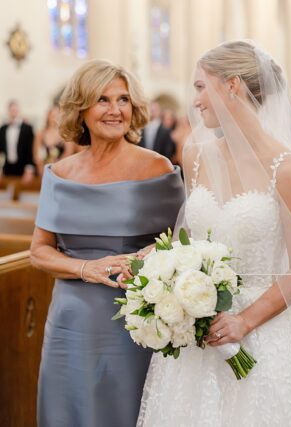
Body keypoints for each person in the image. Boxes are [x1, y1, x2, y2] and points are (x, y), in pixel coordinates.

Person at [136, 41, 291, 424]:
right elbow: (194, 240)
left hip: (261, 334)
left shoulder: (287, 168)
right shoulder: (195, 153)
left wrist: (244, 321)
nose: (195, 101)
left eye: (200, 86)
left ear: (231, 85)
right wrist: (165, 263)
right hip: (198, 332)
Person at [30, 60, 185, 427]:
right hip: (70, 320)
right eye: (102, 99)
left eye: (123, 100)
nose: (115, 110)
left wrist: (153, 256)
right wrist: (85, 268)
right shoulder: (60, 174)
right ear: (81, 109)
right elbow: (39, 250)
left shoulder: (157, 169)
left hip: (133, 320)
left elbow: (184, 240)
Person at [1, 99, 36, 182]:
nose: (13, 112)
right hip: (7, 168)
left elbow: (31, 149)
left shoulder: (27, 128)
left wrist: (29, 169)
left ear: (19, 110)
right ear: (8, 111)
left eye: (15, 110)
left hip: (23, 168)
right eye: (11, 110)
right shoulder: (3, 129)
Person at [33, 105, 73, 173]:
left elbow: (69, 152)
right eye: (52, 115)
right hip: (44, 169)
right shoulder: (41, 134)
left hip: (61, 170)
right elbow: (36, 154)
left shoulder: (65, 134)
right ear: (48, 116)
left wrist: (58, 165)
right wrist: (41, 168)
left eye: (57, 115)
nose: (54, 118)